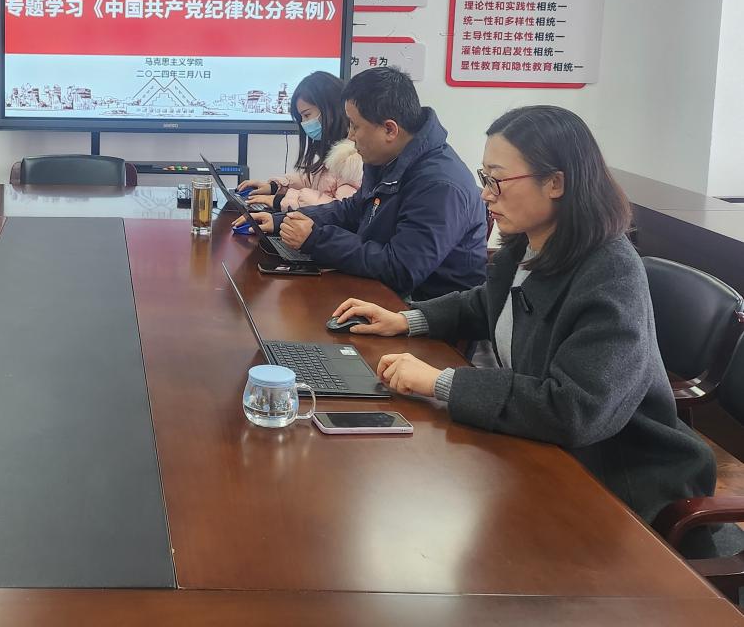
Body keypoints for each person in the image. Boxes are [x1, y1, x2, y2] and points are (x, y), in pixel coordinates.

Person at [330, 105, 730, 551]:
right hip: (546, 449)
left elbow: (575, 411)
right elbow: (488, 303)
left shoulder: (610, 272)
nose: (486, 195)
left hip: (620, 480)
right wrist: (407, 319)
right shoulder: (530, 242)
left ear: (555, 182)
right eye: (485, 178)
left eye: (498, 181)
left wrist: (442, 382)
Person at [250, 67, 486, 300]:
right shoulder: (387, 158)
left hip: (423, 309)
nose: (350, 136)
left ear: (389, 129)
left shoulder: (439, 185)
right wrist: (283, 221)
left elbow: (401, 269)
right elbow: (353, 209)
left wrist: (316, 240)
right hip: (380, 292)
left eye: (355, 126)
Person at [236, 71, 363, 211]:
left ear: (331, 109)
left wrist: (280, 201)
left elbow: (340, 210)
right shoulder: (334, 149)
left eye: (307, 115)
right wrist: (274, 187)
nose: (304, 123)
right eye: (301, 117)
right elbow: (313, 181)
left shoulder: (352, 159)